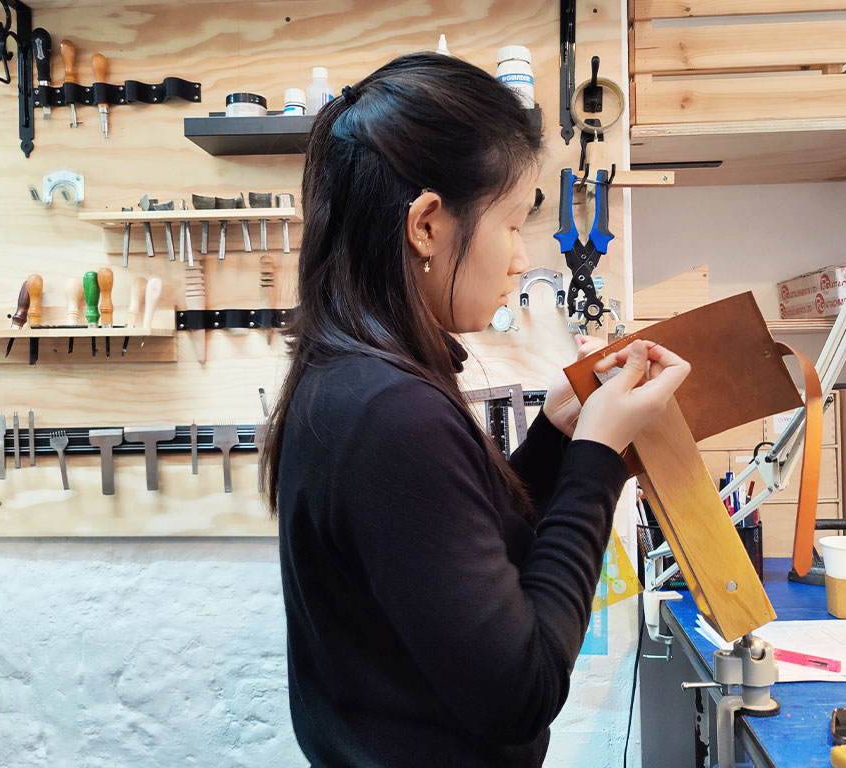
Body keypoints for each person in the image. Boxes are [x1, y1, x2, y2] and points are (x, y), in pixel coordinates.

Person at [261, 52, 691, 767]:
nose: (522, 259)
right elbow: (518, 691)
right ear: (427, 224)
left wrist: (559, 438)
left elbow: (465, 565)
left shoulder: (356, 375)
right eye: (513, 224)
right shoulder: (391, 411)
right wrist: (597, 462)